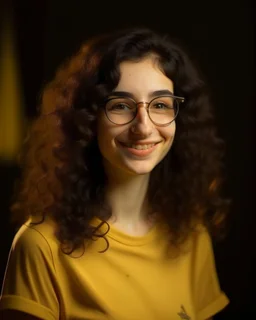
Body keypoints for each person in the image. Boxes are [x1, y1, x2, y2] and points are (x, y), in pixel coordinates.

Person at [0, 27, 230, 320]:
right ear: (88, 120)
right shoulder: (41, 246)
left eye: (160, 105)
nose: (143, 127)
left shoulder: (191, 234)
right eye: (121, 105)